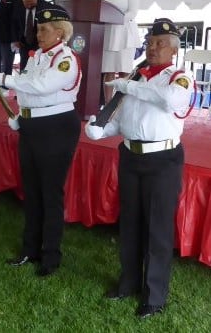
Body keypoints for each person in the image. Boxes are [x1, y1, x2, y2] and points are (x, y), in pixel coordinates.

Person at [85, 18, 194, 319]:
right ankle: (128, 282)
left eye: (160, 43)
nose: (153, 47)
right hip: (131, 155)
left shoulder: (180, 78)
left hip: (162, 161)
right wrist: (102, 131)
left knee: (157, 229)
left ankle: (154, 295)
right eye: (150, 43)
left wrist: (128, 84)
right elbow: (126, 120)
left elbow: (168, 101)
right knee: (130, 223)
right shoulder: (138, 77)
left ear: (173, 49)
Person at [0, 5, 82, 276]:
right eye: (38, 28)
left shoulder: (66, 58)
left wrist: (2, 78)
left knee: (50, 193)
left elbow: (42, 86)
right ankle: (30, 249)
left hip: (56, 127)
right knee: (32, 190)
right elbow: (29, 92)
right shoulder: (37, 56)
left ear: (61, 32)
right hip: (33, 125)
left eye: (44, 29)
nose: (38, 34)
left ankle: (50, 256)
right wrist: (21, 115)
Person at [100, 0, 141, 104]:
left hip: (125, 34)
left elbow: (133, 12)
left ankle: (122, 104)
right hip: (110, 34)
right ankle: (107, 105)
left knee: (124, 70)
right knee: (108, 70)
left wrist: (116, 18)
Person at [11, 0, 49, 71]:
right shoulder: (18, 6)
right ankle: (23, 81)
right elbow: (13, 24)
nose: (29, 5)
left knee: (37, 65)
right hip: (23, 42)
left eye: (31, 2)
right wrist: (15, 39)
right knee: (24, 65)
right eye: (26, 3)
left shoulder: (45, 6)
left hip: (39, 42)